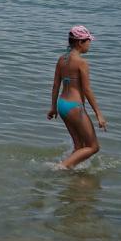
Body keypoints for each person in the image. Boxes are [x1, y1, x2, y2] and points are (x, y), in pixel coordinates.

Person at [47, 26, 107, 168]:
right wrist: (99, 114)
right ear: (80, 42)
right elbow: (86, 89)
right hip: (75, 107)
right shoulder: (82, 62)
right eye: (88, 41)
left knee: (79, 146)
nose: (89, 44)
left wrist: (53, 107)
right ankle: (62, 167)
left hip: (62, 105)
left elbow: (56, 85)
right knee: (93, 147)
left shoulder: (62, 59)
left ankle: (72, 172)